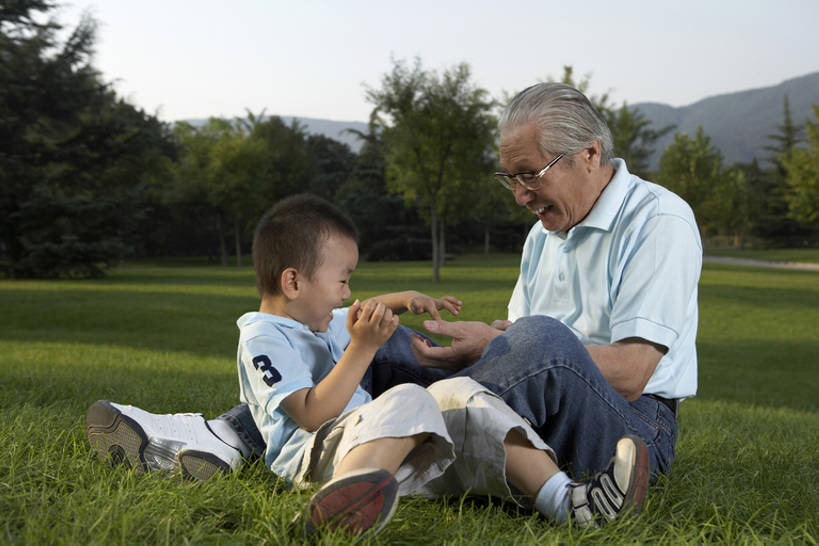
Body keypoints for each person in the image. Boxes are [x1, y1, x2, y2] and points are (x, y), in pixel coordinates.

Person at [89, 80, 700, 526]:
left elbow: (631, 371)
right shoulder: (546, 232)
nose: (519, 196)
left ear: (589, 154)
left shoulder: (659, 220)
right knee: (380, 340)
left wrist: (503, 343)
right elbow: (515, 337)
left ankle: (339, 442)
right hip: (541, 388)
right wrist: (472, 342)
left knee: (540, 339)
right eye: (509, 178)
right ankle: (237, 433)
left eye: (529, 174)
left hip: (629, 422)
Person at [89, 194, 650, 535]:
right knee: (407, 398)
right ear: (293, 282)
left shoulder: (316, 316)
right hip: (320, 456)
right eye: (342, 279)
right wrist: (360, 350)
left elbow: (361, 310)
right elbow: (311, 415)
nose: (348, 294)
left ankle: (570, 502)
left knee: (469, 398)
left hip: (379, 442)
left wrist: (407, 300)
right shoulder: (263, 338)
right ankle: (349, 498)